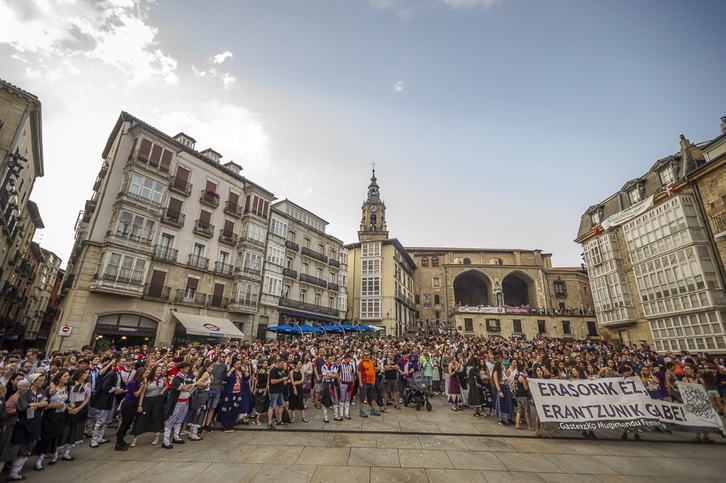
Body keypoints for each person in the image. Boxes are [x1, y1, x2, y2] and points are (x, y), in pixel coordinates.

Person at [7, 373, 48, 481]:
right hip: (24, 422)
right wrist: (38, 404)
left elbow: (45, 403)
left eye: (43, 380)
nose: (42, 382)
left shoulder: (41, 391)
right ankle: (12, 470)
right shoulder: (25, 393)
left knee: (30, 445)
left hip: (36, 421)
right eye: (40, 380)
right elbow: (24, 407)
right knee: (17, 446)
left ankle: (15, 471)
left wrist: (34, 405)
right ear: (33, 381)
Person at [32, 369, 70, 469]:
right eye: (65, 376)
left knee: (58, 435)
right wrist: (54, 406)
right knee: (47, 436)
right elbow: (43, 405)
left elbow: (67, 400)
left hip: (61, 415)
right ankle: (39, 460)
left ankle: (55, 455)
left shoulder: (66, 388)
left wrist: (68, 406)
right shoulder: (50, 389)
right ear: (59, 378)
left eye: (68, 376)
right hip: (50, 415)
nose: (67, 378)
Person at [56, 367, 91, 461]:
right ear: (80, 374)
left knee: (77, 430)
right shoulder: (70, 383)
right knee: (66, 430)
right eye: (85, 373)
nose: (87, 374)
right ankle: (56, 452)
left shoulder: (87, 384)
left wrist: (79, 408)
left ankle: (67, 452)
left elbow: (87, 398)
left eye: (87, 373)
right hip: (69, 405)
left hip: (81, 408)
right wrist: (69, 407)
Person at [161, 362, 195, 449]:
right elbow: (183, 388)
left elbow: (191, 388)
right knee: (171, 420)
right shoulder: (177, 378)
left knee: (179, 420)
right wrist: (189, 386)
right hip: (177, 402)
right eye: (186, 367)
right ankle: (166, 441)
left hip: (185, 400)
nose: (188, 368)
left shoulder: (187, 377)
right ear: (181, 369)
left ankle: (176, 437)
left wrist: (189, 386)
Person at [132, 365, 167, 446]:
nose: (159, 372)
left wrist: (163, 390)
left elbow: (166, 385)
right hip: (147, 400)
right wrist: (140, 405)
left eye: (160, 370)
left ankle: (157, 436)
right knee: (142, 418)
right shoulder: (147, 380)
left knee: (157, 417)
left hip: (158, 400)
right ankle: (136, 437)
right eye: (157, 370)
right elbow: (142, 393)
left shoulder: (163, 379)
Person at [115, 367, 147, 451]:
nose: (146, 375)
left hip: (133, 404)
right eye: (145, 374)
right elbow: (136, 394)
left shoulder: (138, 383)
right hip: (128, 404)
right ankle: (118, 442)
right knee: (124, 423)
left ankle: (122, 440)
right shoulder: (133, 383)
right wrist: (143, 385)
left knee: (129, 422)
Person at [218, 357, 247, 433]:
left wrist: (245, 370)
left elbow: (248, 377)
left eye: (240, 364)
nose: (239, 365)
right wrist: (231, 370)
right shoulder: (231, 372)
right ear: (234, 364)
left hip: (239, 392)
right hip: (230, 392)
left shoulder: (242, 372)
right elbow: (225, 378)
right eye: (237, 364)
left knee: (235, 409)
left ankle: (232, 423)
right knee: (226, 408)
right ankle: (225, 424)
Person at [187, 362, 211, 441]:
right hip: (203, 394)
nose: (212, 368)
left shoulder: (205, 374)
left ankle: (192, 433)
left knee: (195, 412)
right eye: (211, 367)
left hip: (201, 394)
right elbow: (198, 382)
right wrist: (206, 385)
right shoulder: (206, 375)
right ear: (207, 367)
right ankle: (194, 434)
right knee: (199, 412)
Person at [357, 350, 380, 418]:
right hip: (364, 382)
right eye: (365, 355)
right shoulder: (361, 363)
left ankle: (372, 409)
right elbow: (359, 373)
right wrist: (360, 382)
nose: (366, 356)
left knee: (373, 396)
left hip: (371, 382)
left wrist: (374, 379)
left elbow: (373, 371)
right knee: (362, 397)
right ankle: (361, 411)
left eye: (367, 355)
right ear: (363, 356)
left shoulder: (371, 361)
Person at [267, 359, 288, 429]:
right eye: (281, 364)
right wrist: (282, 380)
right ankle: (269, 422)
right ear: (278, 363)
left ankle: (279, 419)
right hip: (274, 391)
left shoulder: (280, 371)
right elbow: (272, 381)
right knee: (272, 406)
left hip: (280, 390)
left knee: (281, 405)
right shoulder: (273, 370)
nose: (282, 365)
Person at [492, 360, 513, 426]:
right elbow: (496, 382)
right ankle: (501, 419)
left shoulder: (503, 372)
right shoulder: (496, 373)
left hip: (506, 387)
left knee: (507, 403)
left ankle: (508, 417)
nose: (502, 366)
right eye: (501, 365)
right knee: (501, 403)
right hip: (501, 388)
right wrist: (499, 391)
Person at [320, 355, 340, 423]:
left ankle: (336, 416)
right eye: (330, 359)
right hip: (326, 384)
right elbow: (325, 377)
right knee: (325, 399)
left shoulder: (334, 366)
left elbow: (336, 375)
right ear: (327, 360)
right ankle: (325, 417)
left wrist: (329, 375)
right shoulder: (324, 367)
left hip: (332, 383)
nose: (332, 360)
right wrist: (332, 375)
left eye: (332, 359)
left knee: (335, 399)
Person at [337, 353, 355, 420]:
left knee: (348, 399)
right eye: (348, 358)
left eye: (350, 359)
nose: (349, 360)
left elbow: (352, 374)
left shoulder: (351, 365)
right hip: (343, 383)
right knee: (342, 399)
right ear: (345, 358)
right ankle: (341, 414)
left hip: (349, 383)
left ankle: (346, 414)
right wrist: (339, 383)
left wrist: (353, 382)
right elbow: (338, 374)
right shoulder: (340, 365)